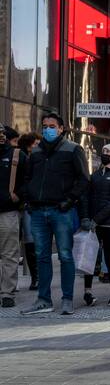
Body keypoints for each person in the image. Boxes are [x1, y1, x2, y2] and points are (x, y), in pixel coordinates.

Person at [21, 113, 90, 315]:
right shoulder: (35, 152)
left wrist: (69, 201)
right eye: (45, 126)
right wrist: (29, 200)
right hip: (38, 211)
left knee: (65, 255)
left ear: (61, 128)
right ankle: (43, 300)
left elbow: (84, 180)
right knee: (41, 256)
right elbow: (27, 178)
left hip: (62, 211)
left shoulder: (73, 149)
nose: (47, 129)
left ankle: (67, 299)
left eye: (52, 126)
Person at [80, 144, 110, 307]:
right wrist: (86, 217)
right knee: (89, 257)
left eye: (107, 152)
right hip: (94, 223)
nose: (104, 154)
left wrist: (96, 219)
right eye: (104, 151)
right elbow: (86, 196)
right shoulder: (95, 175)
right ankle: (87, 292)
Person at [0, 125, 25, 308]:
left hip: (8, 211)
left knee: (9, 253)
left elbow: (28, 180)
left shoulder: (17, 155)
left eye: (1, 133)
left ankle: (7, 292)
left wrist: (17, 196)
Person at [17, 132, 40, 292]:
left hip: (31, 204)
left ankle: (36, 277)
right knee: (28, 241)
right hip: (24, 204)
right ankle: (35, 277)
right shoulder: (22, 159)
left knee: (31, 241)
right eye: (36, 143)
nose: (38, 146)